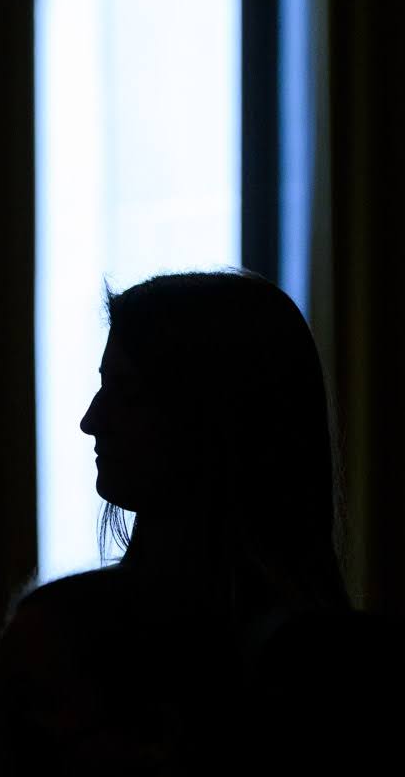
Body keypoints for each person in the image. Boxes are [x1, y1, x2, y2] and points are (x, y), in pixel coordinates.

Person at [79, 269, 349, 636]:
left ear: (217, 414)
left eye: (128, 393)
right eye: (104, 385)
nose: (91, 421)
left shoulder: (84, 637)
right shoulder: (349, 658)